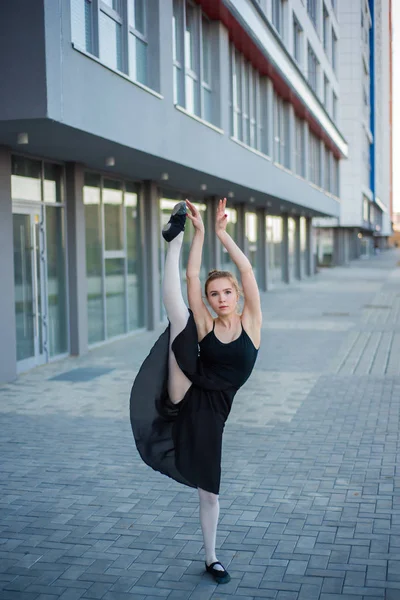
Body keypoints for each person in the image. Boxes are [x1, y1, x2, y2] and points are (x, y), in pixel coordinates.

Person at [130, 197, 262, 584]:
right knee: (179, 317)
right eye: (214, 294)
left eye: (227, 292)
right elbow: (191, 281)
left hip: (211, 414)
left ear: (237, 295)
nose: (221, 299)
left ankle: (211, 557)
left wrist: (223, 233)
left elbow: (247, 268)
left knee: (209, 492)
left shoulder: (252, 323)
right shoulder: (206, 323)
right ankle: (173, 240)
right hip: (187, 385)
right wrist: (198, 235)